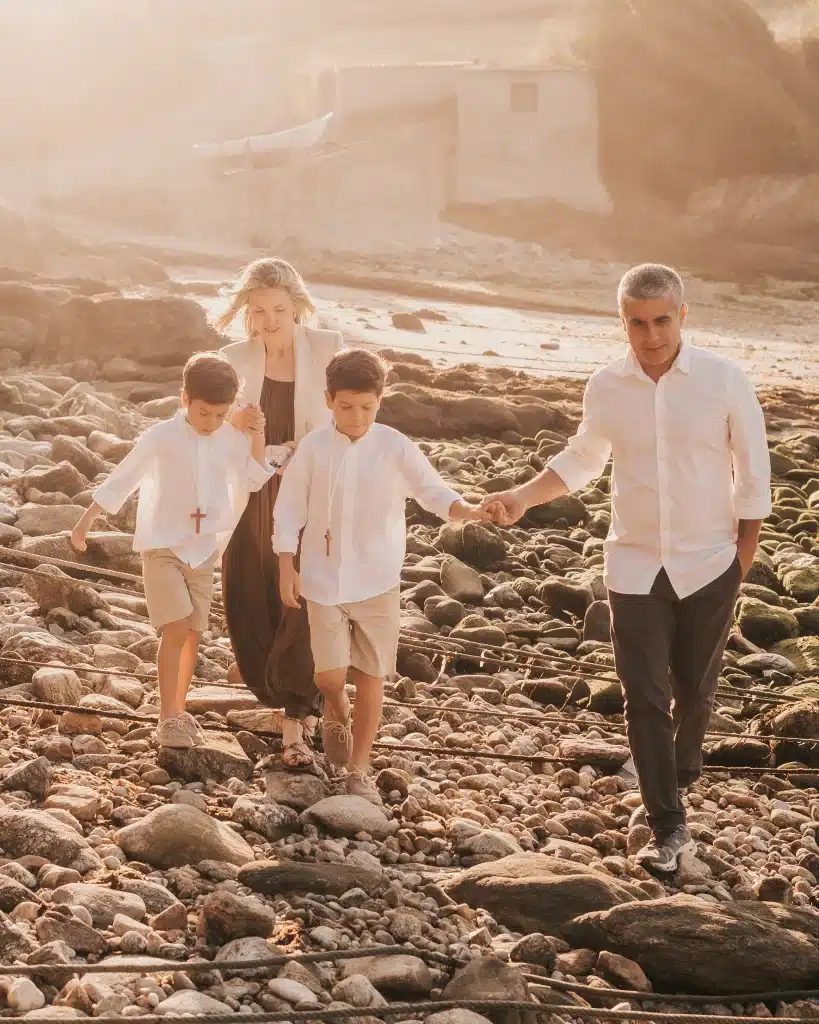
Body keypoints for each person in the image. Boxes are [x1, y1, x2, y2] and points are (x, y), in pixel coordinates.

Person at [482, 263, 771, 873]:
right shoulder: (607, 386)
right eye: (637, 323)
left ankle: (680, 770)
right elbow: (582, 457)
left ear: (682, 316)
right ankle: (667, 825)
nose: (651, 335)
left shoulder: (723, 380)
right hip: (634, 565)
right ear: (623, 323)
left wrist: (740, 560)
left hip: (710, 561)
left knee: (695, 688)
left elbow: (753, 469)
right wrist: (521, 497)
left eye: (662, 320)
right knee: (645, 696)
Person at [273, 348, 488, 804]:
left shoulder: (394, 446)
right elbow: (288, 507)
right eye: (346, 406)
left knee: (372, 675)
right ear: (329, 399)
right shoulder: (313, 447)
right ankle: (334, 705)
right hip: (322, 579)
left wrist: (466, 509)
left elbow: (433, 491)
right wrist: (285, 563)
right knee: (329, 673)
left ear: (380, 401)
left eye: (367, 407)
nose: (356, 417)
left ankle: (359, 768)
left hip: (378, 580)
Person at [70, 353, 273, 749]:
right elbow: (124, 476)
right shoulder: (161, 436)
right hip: (162, 545)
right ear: (184, 399)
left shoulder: (230, 439)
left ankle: (178, 711)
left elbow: (253, 479)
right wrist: (86, 519)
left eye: (220, 414)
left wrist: (256, 435)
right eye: (203, 412)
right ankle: (167, 717)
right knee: (176, 627)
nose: (211, 422)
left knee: (193, 633)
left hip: (204, 550)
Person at [217, 258, 344, 773]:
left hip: (308, 490)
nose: (269, 321)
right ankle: (288, 696)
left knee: (302, 600)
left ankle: (296, 722)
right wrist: (236, 420)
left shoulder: (327, 349)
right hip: (249, 496)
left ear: (297, 307)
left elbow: (348, 415)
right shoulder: (232, 358)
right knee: (252, 597)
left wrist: (298, 452)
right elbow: (204, 422)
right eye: (259, 311)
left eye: (279, 310)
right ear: (246, 311)